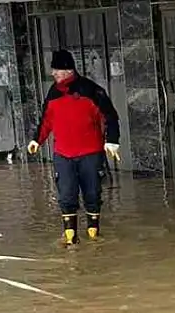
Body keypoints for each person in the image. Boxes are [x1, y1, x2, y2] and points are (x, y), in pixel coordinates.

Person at [28, 50, 121, 245]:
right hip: (63, 154)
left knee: (92, 193)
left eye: (57, 71)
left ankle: (94, 234)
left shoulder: (91, 90)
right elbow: (46, 121)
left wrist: (111, 141)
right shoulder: (53, 94)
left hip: (90, 153)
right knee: (66, 194)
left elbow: (110, 116)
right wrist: (37, 140)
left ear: (68, 71)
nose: (53, 74)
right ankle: (70, 237)